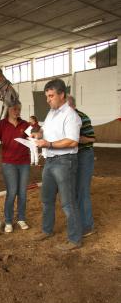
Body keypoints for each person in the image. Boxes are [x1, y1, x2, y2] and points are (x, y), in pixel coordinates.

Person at [31, 79, 82, 251]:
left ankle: (75, 239)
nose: (48, 99)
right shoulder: (51, 113)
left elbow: (73, 141)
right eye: (47, 96)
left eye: (51, 96)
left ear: (62, 95)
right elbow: (45, 131)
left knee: (68, 203)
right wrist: (38, 135)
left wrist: (48, 144)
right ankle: (47, 230)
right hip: (50, 161)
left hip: (65, 161)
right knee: (47, 199)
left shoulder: (71, 115)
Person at [0, 102, 31, 233]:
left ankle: (21, 218)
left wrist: (37, 134)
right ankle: (8, 220)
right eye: (14, 109)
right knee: (12, 192)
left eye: (19, 109)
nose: (16, 111)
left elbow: (34, 135)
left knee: (22, 193)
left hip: (24, 163)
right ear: (8, 110)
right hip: (9, 163)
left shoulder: (25, 124)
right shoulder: (1, 124)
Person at [67, 95, 96, 237]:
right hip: (73, 156)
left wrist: (79, 139)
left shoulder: (82, 117)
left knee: (82, 190)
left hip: (84, 155)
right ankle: (79, 221)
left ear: (70, 105)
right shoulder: (66, 118)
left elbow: (92, 138)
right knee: (75, 190)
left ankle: (88, 226)